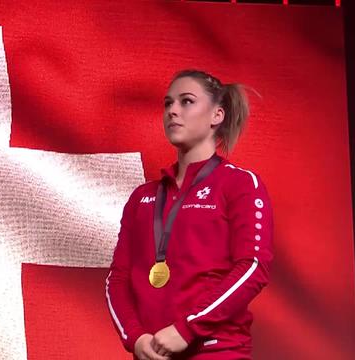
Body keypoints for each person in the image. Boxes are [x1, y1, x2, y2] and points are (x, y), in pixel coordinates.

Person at [105, 69, 274, 360]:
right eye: (167, 103)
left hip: (216, 351)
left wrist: (188, 328)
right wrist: (135, 337)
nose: (172, 111)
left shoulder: (240, 184)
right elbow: (117, 279)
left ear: (216, 116)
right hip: (151, 353)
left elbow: (253, 268)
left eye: (186, 102)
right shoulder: (142, 197)